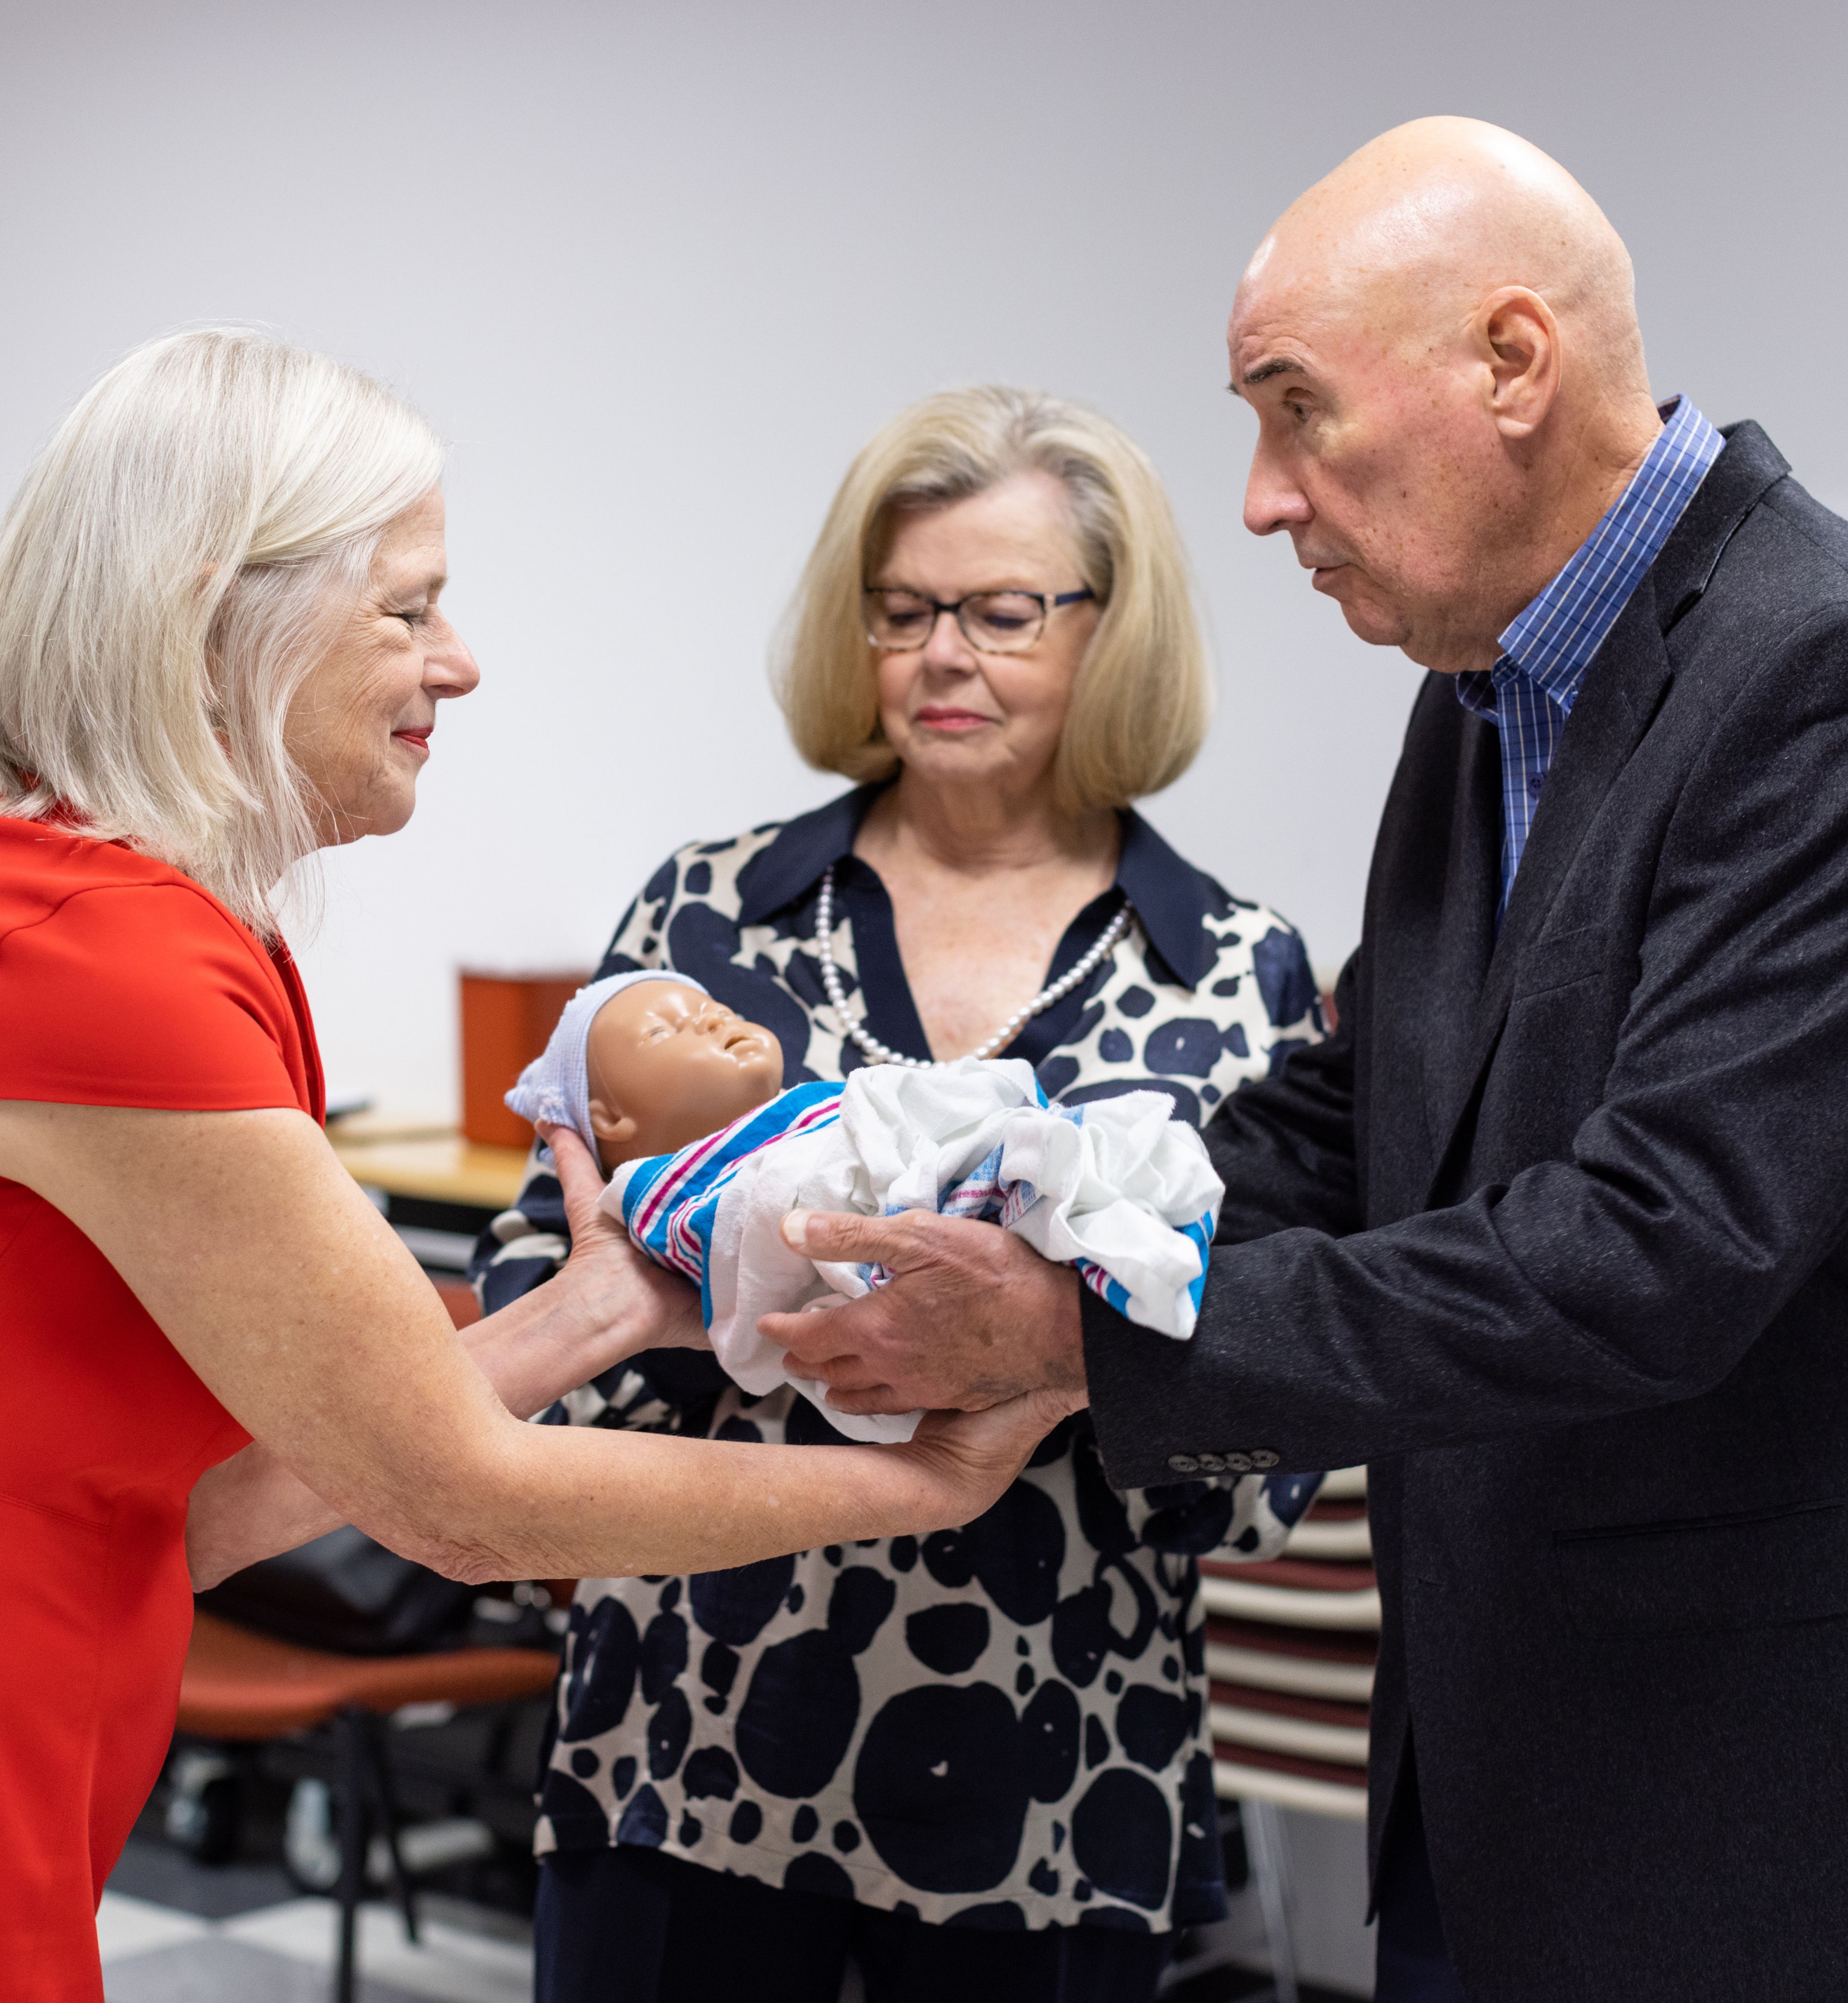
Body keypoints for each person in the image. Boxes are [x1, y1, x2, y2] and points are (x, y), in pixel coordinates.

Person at [771, 119, 1848, 2003]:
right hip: (1491, 1756)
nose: (1261, 499)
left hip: (1724, 1800)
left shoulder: (1806, 667)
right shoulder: (1490, 678)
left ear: (1510, 363)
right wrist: (1054, 1219)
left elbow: (1660, 1248)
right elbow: (1361, 1118)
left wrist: (1078, 1340)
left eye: (1295, 411)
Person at [0, 331, 1069, 2003]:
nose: (453, 663)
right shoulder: (82, 956)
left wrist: (593, 1309)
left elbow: (196, 1504)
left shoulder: (122, 925)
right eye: (405, 607)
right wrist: (932, 1484)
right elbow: (455, 1498)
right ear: (208, 614)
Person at [475, 385, 1328, 2003]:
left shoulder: (1231, 967)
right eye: (902, 611)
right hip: (690, 1738)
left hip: (1056, 1767)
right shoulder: (714, 909)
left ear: (1110, 633)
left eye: (1002, 612)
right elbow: (541, 1265)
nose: (943, 655)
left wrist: (1035, 1352)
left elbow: (1275, 1436)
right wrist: (721, 1314)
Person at [503, 968, 1222, 1441]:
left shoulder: (808, 1109)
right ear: (609, 1121)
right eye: (665, 1030)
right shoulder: (665, 1198)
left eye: (710, 1005)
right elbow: (765, 1243)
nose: (710, 1017)